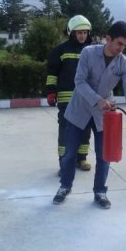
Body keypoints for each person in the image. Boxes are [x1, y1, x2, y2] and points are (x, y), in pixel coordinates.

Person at [53, 21, 126, 209]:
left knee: (104, 155)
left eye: (125, 45)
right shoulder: (88, 53)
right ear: (107, 39)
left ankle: (100, 191)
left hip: (104, 115)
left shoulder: (123, 63)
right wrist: (98, 100)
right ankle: (64, 186)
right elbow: (79, 81)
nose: (121, 48)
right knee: (69, 153)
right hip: (79, 108)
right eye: (119, 43)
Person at [46, 15, 93, 174]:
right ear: (72, 33)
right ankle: (65, 162)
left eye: (85, 32)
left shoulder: (91, 51)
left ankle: (81, 159)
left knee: (85, 129)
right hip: (67, 99)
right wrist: (51, 92)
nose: (82, 36)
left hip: (86, 99)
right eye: (79, 32)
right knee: (66, 131)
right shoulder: (60, 50)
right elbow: (52, 73)